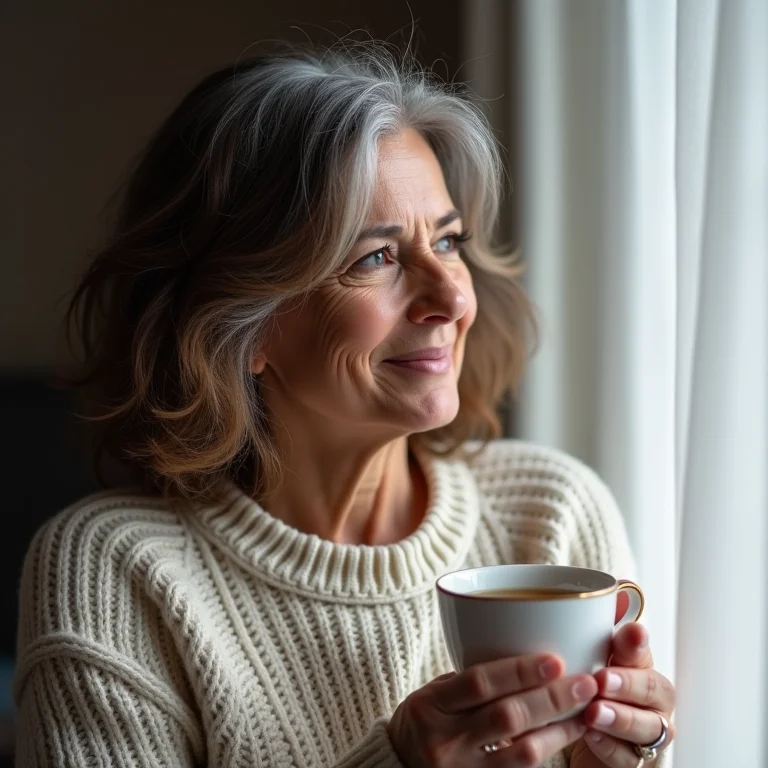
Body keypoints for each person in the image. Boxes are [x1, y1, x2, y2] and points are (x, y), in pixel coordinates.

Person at [13, 40, 676, 768]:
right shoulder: (115, 572)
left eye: (448, 241)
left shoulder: (551, 516)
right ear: (242, 323)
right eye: (376, 258)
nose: (454, 296)